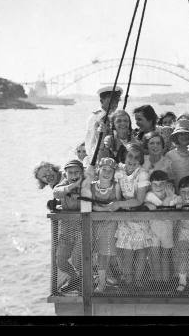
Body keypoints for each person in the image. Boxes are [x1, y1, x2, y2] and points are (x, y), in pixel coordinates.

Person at [113, 142, 154, 288]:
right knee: (126, 251)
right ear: (125, 155)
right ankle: (128, 280)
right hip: (124, 217)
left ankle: (138, 280)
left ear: (141, 160)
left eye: (137, 157)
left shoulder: (142, 173)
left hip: (139, 217)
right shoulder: (119, 171)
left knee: (141, 251)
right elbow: (117, 196)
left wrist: (120, 204)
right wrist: (118, 204)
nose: (133, 159)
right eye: (130, 155)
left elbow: (139, 200)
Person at [52, 159, 88, 294]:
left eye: (77, 172)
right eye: (70, 173)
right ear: (65, 174)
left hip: (82, 229)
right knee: (60, 260)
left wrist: (80, 184)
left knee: (78, 260)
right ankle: (75, 278)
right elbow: (56, 193)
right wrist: (72, 186)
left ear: (82, 172)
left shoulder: (86, 184)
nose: (74, 175)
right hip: (66, 230)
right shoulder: (64, 184)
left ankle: (84, 284)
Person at [88, 157, 121, 292]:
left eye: (110, 170)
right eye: (104, 169)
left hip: (110, 223)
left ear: (114, 173)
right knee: (95, 252)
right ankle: (104, 276)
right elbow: (90, 205)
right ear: (98, 170)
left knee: (105, 252)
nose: (106, 173)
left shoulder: (116, 186)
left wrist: (101, 208)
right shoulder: (91, 185)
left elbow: (117, 205)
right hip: (94, 223)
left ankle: (101, 284)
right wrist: (104, 209)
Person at [143, 170, 177, 287]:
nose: (158, 187)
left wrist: (170, 197)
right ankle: (157, 281)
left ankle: (166, 281)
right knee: (154, 256)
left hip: (167, 231)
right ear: (150, 185)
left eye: (162, 183)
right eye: (155, 184)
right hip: (153, 231)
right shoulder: (149, 196)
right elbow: (159, 210)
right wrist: (168, 199)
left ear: (167, 184)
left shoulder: (173, 197)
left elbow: (173, 207)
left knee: (166, 256)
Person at [84, 86, 123, 163]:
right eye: (110, 102)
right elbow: (91, 141)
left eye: (116, 101)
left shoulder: (116, 117)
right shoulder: (96, 118)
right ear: (101, 101)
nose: (114, 104)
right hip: (97, 158)